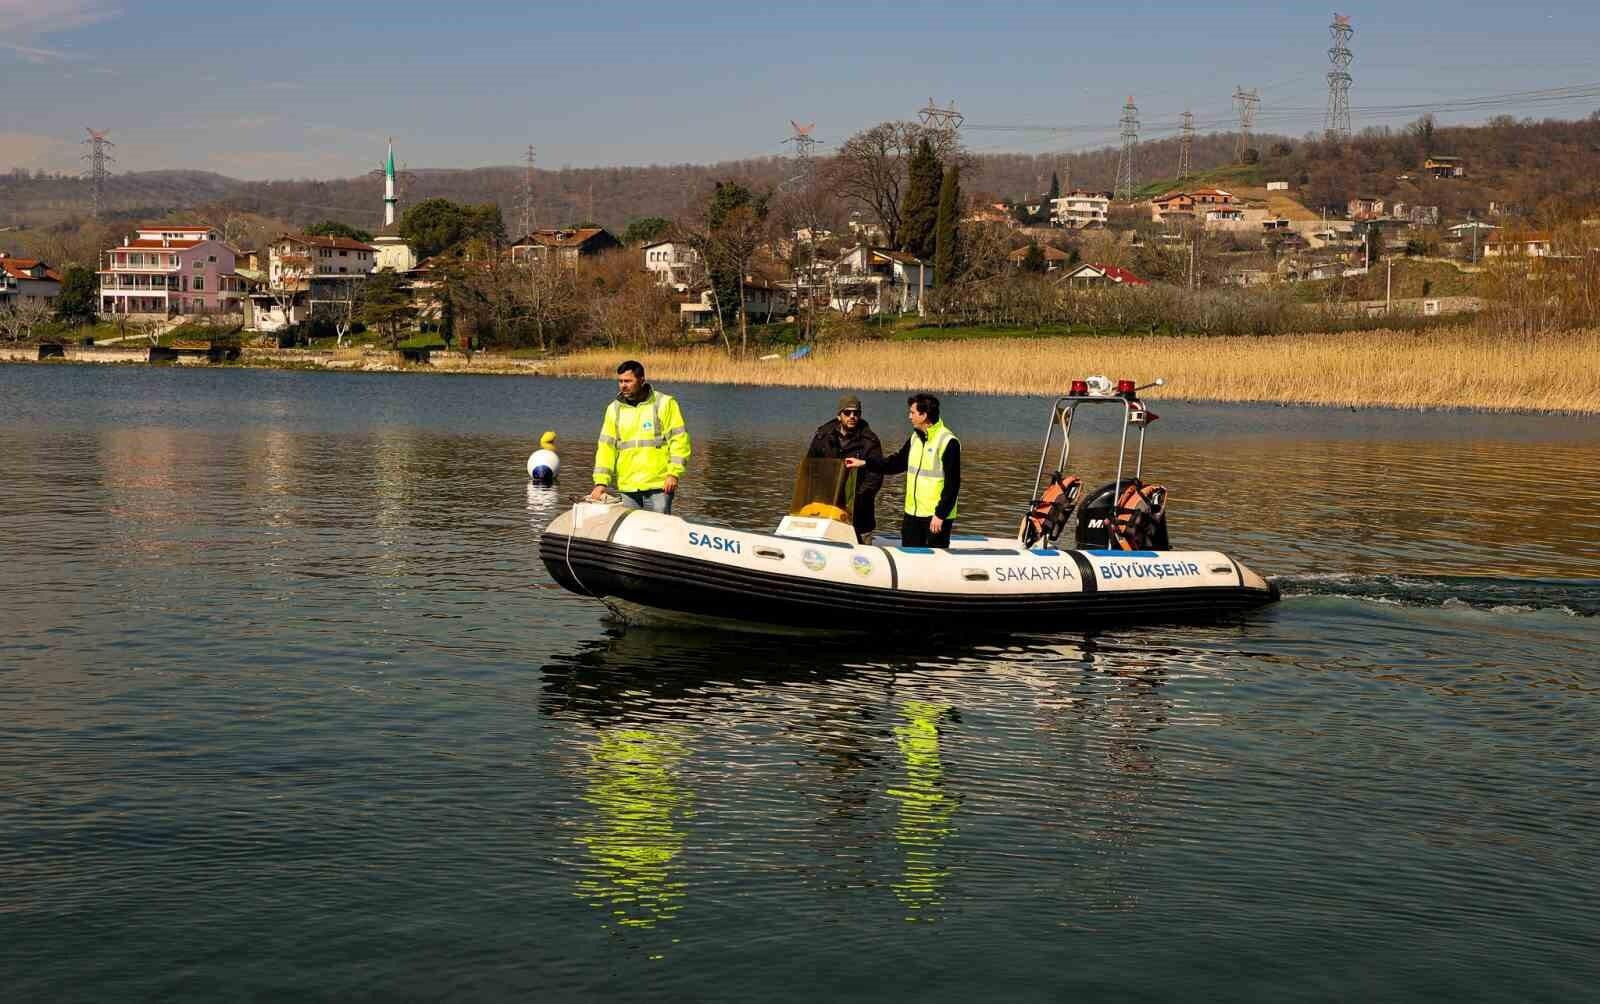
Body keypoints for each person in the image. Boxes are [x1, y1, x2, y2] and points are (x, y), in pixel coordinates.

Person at [845, 393, 960, 548]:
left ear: (924, 415)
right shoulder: (915, 438)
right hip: (912, 514)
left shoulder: (948, 442)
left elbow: (952, 485)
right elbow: (895, 463)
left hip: (935, 517)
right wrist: (864, 463)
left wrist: (940, 515)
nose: (909, 416)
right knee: (910, 559)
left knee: (933, 563)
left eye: (912, 413)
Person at [585, 360, 692, 513]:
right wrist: (601, 483)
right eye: (620, 381)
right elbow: (606, 449)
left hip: (660, 484)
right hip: (628, 485)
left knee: (660, 529)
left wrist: (673, 474)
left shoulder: (664, 403)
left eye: (628, 381)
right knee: (630, 532)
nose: (623, 385)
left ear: (642, 380)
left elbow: (679, 441)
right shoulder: (613, 409)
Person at [805, 394, 884, 543]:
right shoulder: (823, 436)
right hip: (827, 507)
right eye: (847, 413)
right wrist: (816, 494)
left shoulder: (870, 441)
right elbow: (810, 468)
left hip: (859, 512)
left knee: (862, 551)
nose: (852, 416)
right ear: (839, 415)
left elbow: (875, 476)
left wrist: (858, 498)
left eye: (856, 413)